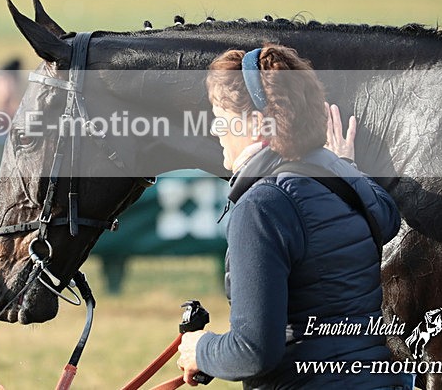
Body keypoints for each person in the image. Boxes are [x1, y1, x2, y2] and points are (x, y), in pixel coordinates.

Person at [176, 44, 410, 389]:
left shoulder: (262, 206)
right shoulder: (345, 178)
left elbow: (252, 352)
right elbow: (386, 217)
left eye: (221, 119)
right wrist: (344, 165)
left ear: (256, 124)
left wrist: (200, 348)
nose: (216, 132)